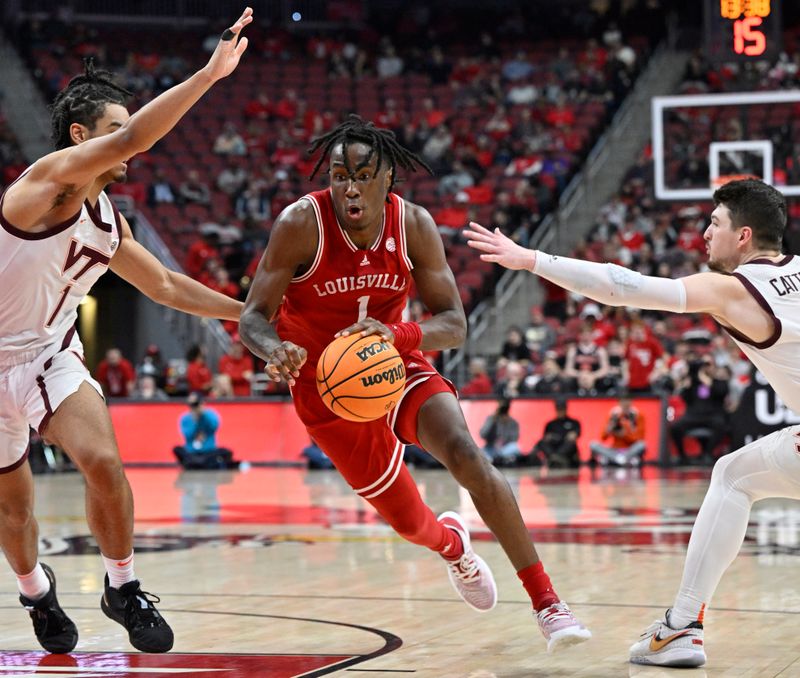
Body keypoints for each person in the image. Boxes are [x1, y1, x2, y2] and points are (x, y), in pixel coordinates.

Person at [240, 116, 591, 651]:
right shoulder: (300, 224)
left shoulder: (415, 226)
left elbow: (454, 324)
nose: (349, 187)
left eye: (362, 174)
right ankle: (455, 548)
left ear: (388, 180)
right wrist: (274, 350)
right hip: (325, 389)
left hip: (393, 361)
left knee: (466, 453)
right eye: (338, 175)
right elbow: (252, 318)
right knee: (408, 524)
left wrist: (399, 334)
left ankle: (548, 603)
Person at [464, 178, 800, 668]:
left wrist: (532, 259)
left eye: (715, 223)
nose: (705, 233)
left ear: (743, 236)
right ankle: (681, 626)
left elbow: (623, 287)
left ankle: (683, 626)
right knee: (732, 472)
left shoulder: (733, 290)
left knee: (731, 477)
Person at [0, 8, 252, 655]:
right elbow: (133, 138)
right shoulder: (42, 187)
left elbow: (166, 286)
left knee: (105, 463)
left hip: (51, 356)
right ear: (82, 136)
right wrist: (207, 76)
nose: (131, 148)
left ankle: (123, 586)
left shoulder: (108, 221)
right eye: (115, 133)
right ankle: (36, 594)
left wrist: (245, 312)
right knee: (15, 510)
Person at [670, 355, 729, 465]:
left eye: (709, 365)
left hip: (712, 415)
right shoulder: (693, 383)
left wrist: (707, 381)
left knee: (721, 425)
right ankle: (682, 456)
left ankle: (707, 453)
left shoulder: (719, 382)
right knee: (675, 427)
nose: (706, 368)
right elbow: (684, 398)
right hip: (693, 415)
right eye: (704, 365)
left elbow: (722, 393)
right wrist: (686, 386)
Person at [173, 394, 236, 470]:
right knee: (177, 449)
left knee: (225, 452)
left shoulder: (210, 415)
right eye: (191, 404)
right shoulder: (185, 418)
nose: (194, 407)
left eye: (196, 404)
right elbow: (187, 435)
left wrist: (203, 415)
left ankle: (199, 464)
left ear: (202, 403)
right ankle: (199, 464)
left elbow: (214, 427)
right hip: (192, 452)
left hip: (208, 452)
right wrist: (195, 420)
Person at [588, 394, 646, 467]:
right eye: (623, 402)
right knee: (593, 444)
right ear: (619, 403)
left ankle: (614, 460)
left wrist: (625, 435)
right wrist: (610, 429)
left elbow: (640, 438)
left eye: (627, 402)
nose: (625, 405)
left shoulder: (637, 416)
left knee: (642, 445)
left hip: (629, 449)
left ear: (631, 402)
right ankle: (621, 460)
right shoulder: (613, 415)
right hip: (614, 450)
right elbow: (603, 437)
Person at [532, 400, 581, 469]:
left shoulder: (574, 422)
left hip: (565, 446)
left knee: (571, 444)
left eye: (562, 409)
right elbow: (545, 437)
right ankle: (554, 458)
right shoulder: (550, 424)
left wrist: (573, 434)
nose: (560, 411)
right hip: (553, 447)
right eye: (558, 409)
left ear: (565, 409)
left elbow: (577, 433)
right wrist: (548, 437)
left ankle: (557, 457)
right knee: (540, 442)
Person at [479, 399, 522, 466]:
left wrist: (503, 441)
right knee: (481, 452)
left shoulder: (513, 422)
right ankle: (494, 460)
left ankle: (504, 460)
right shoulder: (491, 419)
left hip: (505, 449)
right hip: (491, 448)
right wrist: (493, 421)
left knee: (514, 447)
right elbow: (483, 434)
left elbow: (514, 438)